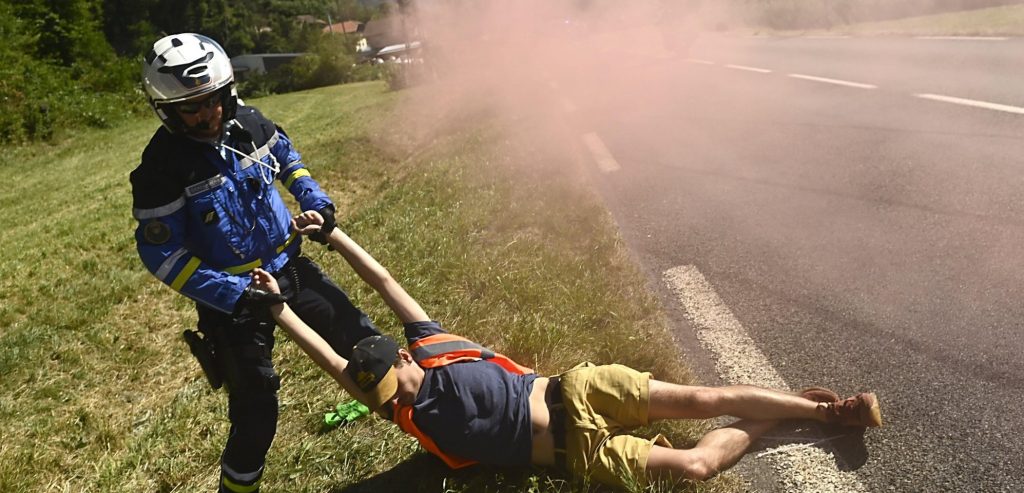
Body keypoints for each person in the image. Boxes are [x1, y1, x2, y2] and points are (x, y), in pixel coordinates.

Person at [251, 211, 883, 489]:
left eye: (393, 379)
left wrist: (335, 236)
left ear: (402, 359)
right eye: (382, 394)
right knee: (694, 468)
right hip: (578, 454)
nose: (395, 393)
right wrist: (280, 311)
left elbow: (387, 285)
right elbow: (328, 360)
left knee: (702, 397)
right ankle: (778, 414)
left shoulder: (432, 347)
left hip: (577, 390)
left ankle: (831, 413)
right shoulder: (403, 413)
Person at [130, 33, 380, 493]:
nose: (209, 113)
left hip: (291, 268)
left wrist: (315, 201)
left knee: (364, 340)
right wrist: (234, 293)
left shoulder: (254, 125)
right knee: (256, 408)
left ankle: (435, 426)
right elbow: (161, 254)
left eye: (214, 99)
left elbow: (290, 161)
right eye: (192, 107)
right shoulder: (160, 169)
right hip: (234, 302)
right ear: (166, 109)